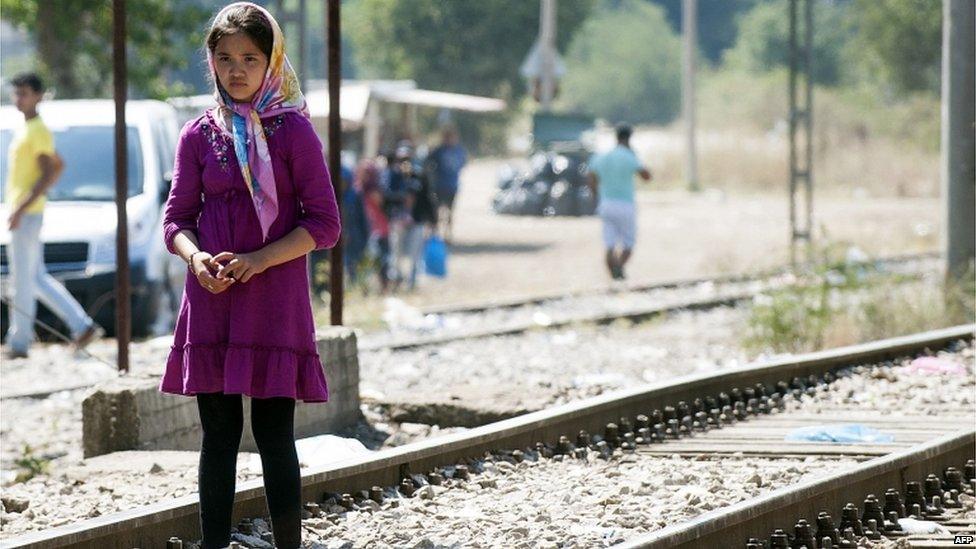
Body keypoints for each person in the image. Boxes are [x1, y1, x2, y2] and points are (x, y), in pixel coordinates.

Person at [158, 4, 340, 548]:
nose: (235, 70)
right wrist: (195, 258)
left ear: (271, 62)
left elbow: (324, 224)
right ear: (210, 62)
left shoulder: (293, 133)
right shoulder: (197, 134)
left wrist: (259, 260)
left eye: (249, 58)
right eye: (224, 58)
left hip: (274, 304)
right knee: (217, 437)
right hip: (211, 301)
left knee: (273, 434)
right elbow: (175, 220)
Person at [3, 72, 103, 359]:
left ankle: (19, 343)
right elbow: (58, 164)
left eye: (23, 93)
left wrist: (21, 207)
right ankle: (81, 325)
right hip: (25, 211)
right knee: (34, 278)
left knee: (23, 281)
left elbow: (49, 169)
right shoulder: (28, 128)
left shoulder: (38, 130)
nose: (18, 99)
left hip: (28, 213)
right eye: (16, 93)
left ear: (38, 95)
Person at [586, 123, 651, 280]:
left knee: (609, 244)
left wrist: (596, 196)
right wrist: (635, 158)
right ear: (629, 138)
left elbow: (591, 177)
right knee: (628, 244)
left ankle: (615, 272)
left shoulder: (603, 156)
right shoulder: (629, 156)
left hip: (606, 203)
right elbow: (646, 177)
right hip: (626, 204)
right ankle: (619, 268)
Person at [426, 125, 466, 243]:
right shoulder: (439, 150)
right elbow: (429, 162)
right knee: (436, 211)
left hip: (452, 185)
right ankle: (436, 234)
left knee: (450, 211)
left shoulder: (459, 151)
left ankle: (448, 234)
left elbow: (463, 163)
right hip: (439, 185)